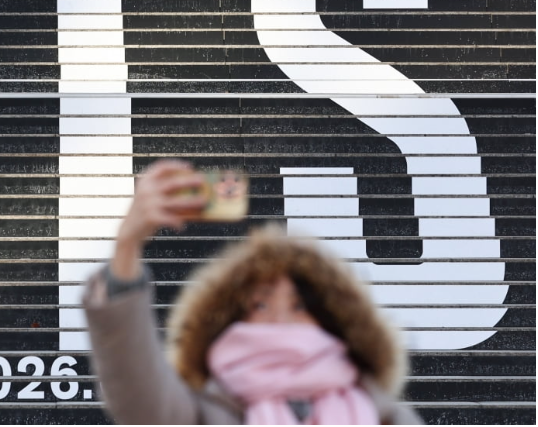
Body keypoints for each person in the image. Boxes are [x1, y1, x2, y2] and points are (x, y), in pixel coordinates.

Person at [83, 159, 423, 425]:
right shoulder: (206, 415)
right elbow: (138, 398)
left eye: (300, 305)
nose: (279, 319)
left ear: (334, 322)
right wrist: (127, 246)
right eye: (260, 305)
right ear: (228, 324)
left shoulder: (383, 415)